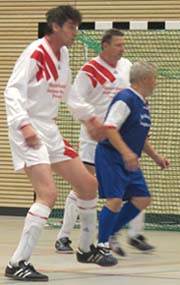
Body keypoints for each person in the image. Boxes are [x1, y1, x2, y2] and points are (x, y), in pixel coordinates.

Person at [4, 5, 117, 282]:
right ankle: (17, 262)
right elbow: (12, 91)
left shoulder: (63, 55)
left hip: (49, 128)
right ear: (55, 26)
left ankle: (87, 248)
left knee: (89, 185)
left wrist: (90, 118)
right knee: (48, 194)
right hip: (27, 127)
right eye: (71, 27)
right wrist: (24, 124)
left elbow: (69, 95)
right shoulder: (35, 52)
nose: (75, 33)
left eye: (77, 27)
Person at [55, 29, 154, 256]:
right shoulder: (89, 70)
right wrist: (92, 121)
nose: (122, 49)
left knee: (133, 187)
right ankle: (64, 235)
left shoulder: (126, 66)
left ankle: (131, 234)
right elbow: (75, 99)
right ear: (105, 46)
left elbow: (136, 96)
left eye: (123, 44)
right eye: (118, 45)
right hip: (95, 137)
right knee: (85, 185)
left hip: (122, 136)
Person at [95, 61, 169, 256]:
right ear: (144, 79)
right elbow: (110, 128)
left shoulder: (143, 104)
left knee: (143, 198)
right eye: (154, 79)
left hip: (129, 160)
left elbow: (141, 138)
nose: (156, 83)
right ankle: (101, 244)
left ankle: (111, 232)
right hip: (111, 156)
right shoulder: (125, 98)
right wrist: (126, 152)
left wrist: (156, 157)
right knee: (115, 200)